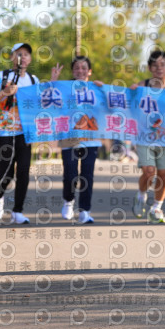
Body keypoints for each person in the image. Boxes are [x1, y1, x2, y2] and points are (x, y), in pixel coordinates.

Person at [0, 42, 39, 224]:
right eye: (19, 54)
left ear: (30, 59)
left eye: (26, 54)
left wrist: (53, 82)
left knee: (23, 172)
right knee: (6, 173)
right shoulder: (1, 76)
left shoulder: (33, 81)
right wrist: (4, 93)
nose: (23, 57)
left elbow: (42, 105)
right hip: (4, 132)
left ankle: (18, 211)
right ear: (12, 57)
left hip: (25, 133)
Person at [50, 56, 104, 224]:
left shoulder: (96, 89)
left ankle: (84, 211)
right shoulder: (65, 88)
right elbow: (50, 103)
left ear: (90, 71)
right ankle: (68, 201)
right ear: (73, 72)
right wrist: (53, 82)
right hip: (69, 136)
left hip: (91, 137)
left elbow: (110, 107)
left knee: (87, 175)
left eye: (84, 68)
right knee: (70, 174)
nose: (80, 71)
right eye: (77, 68)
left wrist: (104, 90)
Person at [130, 50, 165, 224]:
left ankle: (156, 208)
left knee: (163, 173)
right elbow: (128, 104)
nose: (159, 68)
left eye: (162, 65)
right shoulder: (142, 87)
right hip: (144, 137)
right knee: (149, 172)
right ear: (150, 68)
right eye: (155, 65)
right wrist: (130, 93)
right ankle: (141, 195)